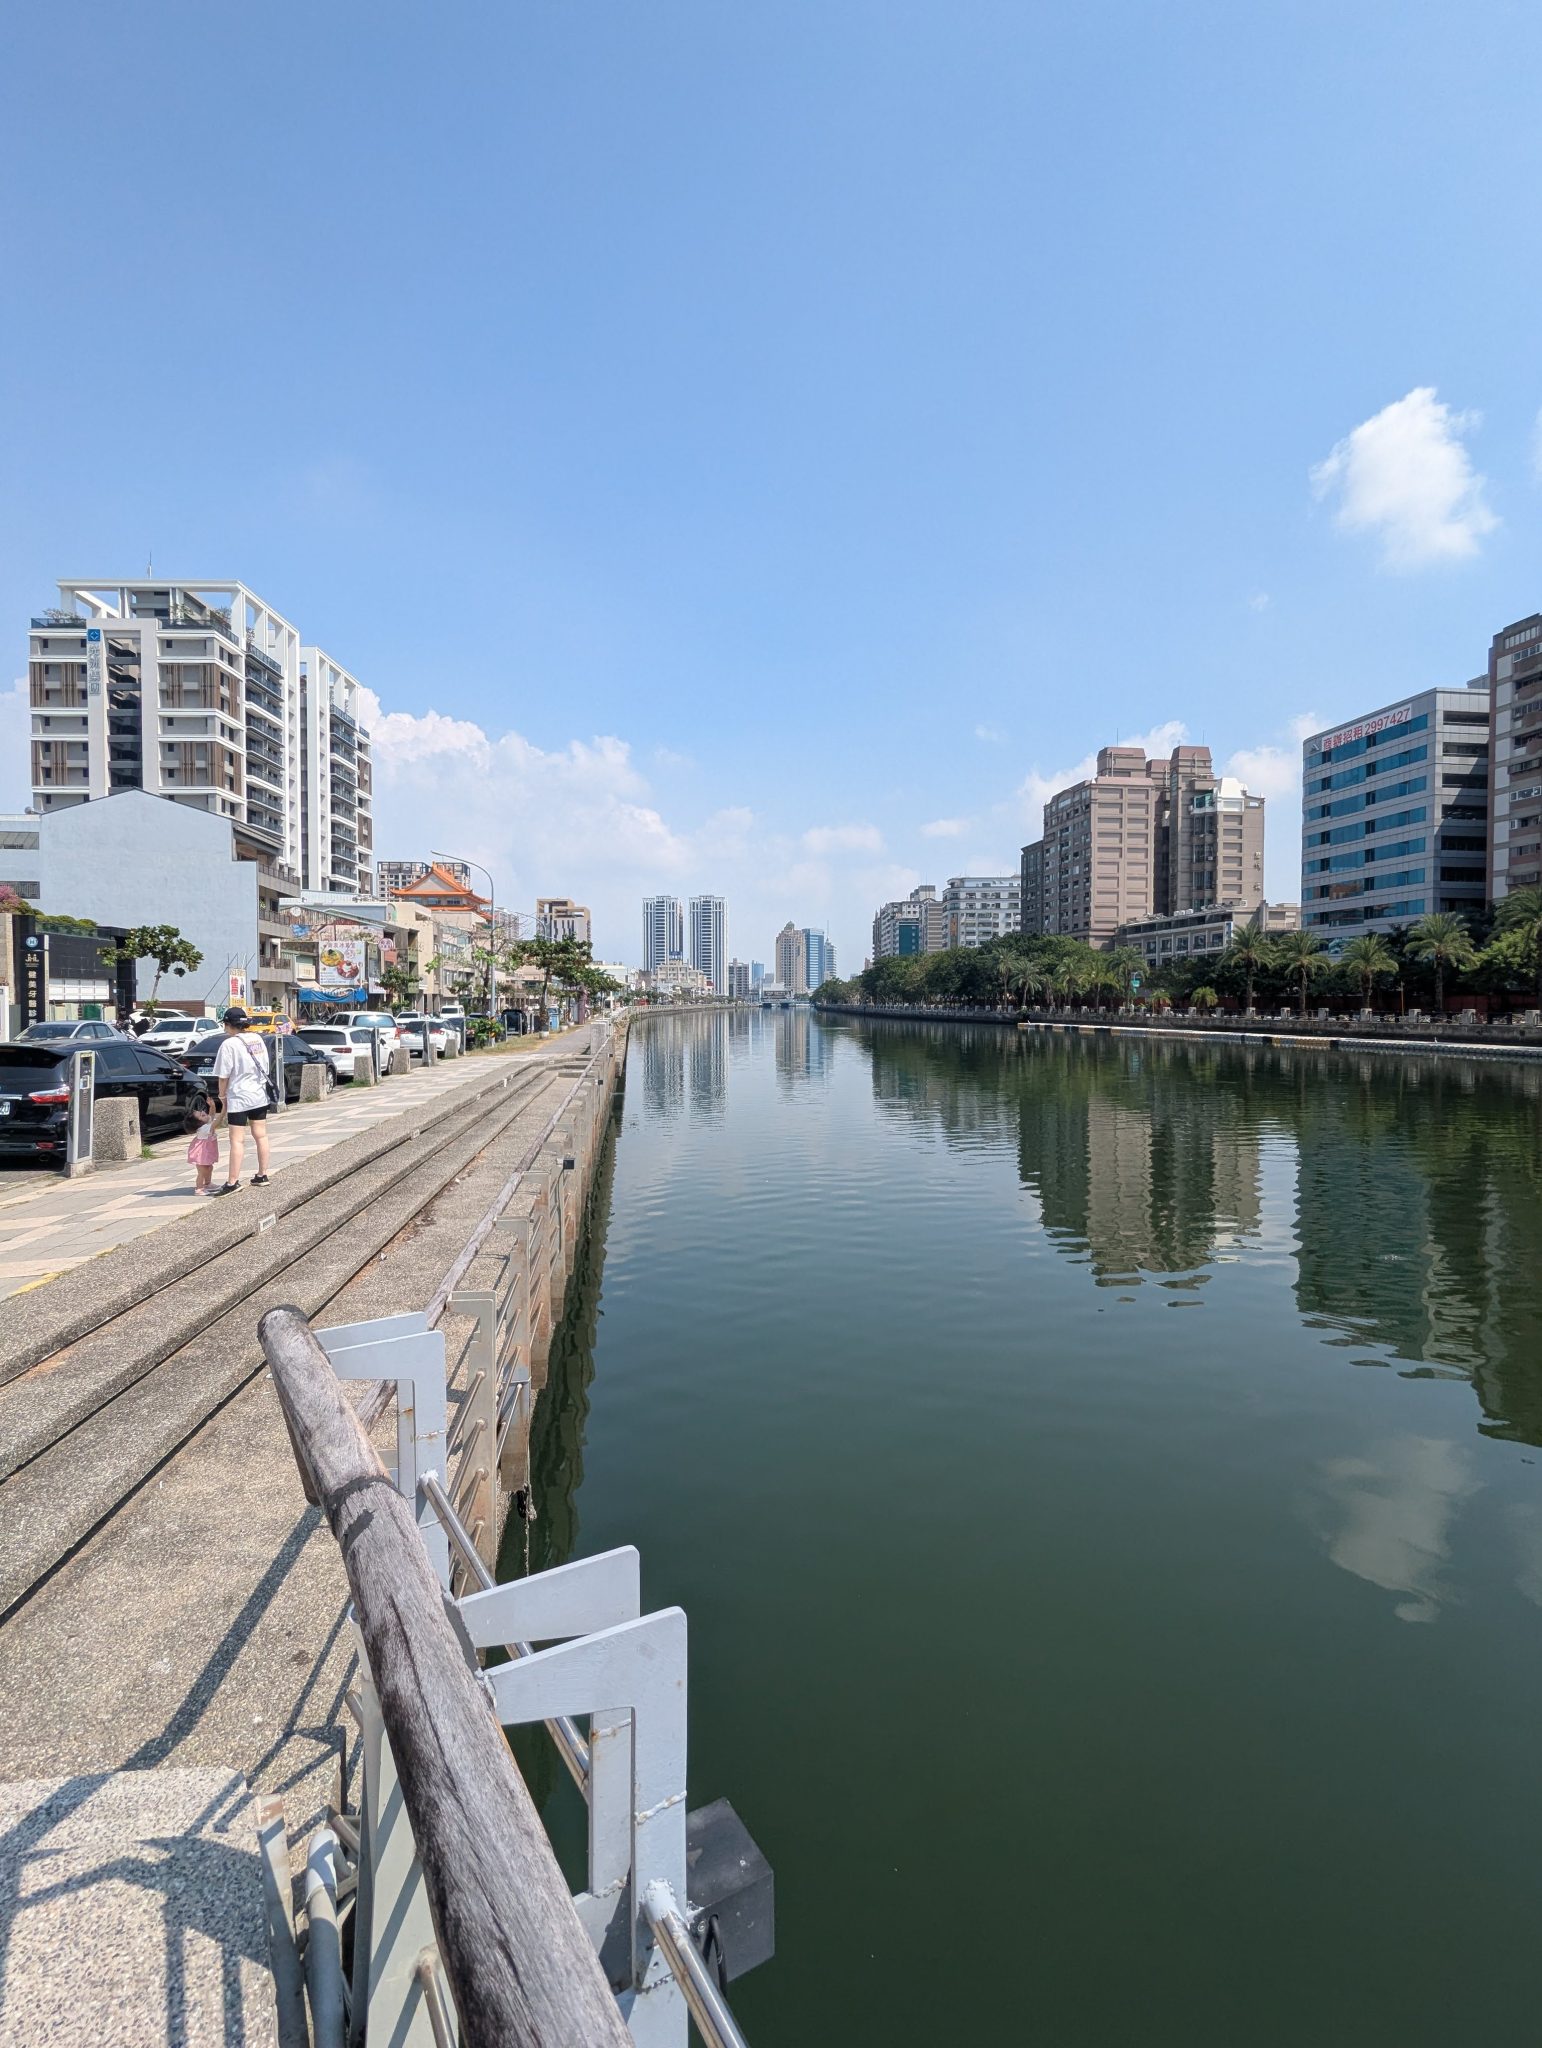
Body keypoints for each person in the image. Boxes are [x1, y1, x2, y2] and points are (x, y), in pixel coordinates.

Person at [211, 1005, 273, 1195]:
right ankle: (262, 1175)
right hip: (258, 1095)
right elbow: (266, 1066)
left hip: (238, 1097)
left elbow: (223, 1076)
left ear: (228, 1024)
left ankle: (232, 1182)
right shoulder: (257, 1039)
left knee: (237, 1140)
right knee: (261, 1135)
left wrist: (222, 1096)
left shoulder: (229, 1044)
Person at [187, 1102, 220, 1194]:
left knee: (209, 1167)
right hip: (201, 1153)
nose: (204, 1113)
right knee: (202, 1170)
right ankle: (199, 1188)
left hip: (207, 1152)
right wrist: (224, 1111)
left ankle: (208, 1183)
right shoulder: (204, 1129)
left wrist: (212, 1106)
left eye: (202, 1112)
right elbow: (217, 1122)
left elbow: (212, 1115)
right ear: (199, 1123)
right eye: (202, 1115)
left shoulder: (206, 1124)